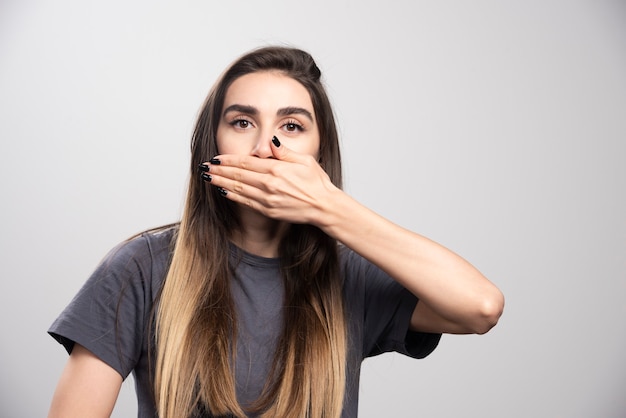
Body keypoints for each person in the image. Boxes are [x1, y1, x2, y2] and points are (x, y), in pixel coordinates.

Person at [47, 46, 504, 418]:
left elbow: (480, 307)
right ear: (213, 145)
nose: (265, 148)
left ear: (319, 154)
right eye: (242, 122)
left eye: (291, 126)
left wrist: (329, 205)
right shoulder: (141, 267)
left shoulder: (353, 277)